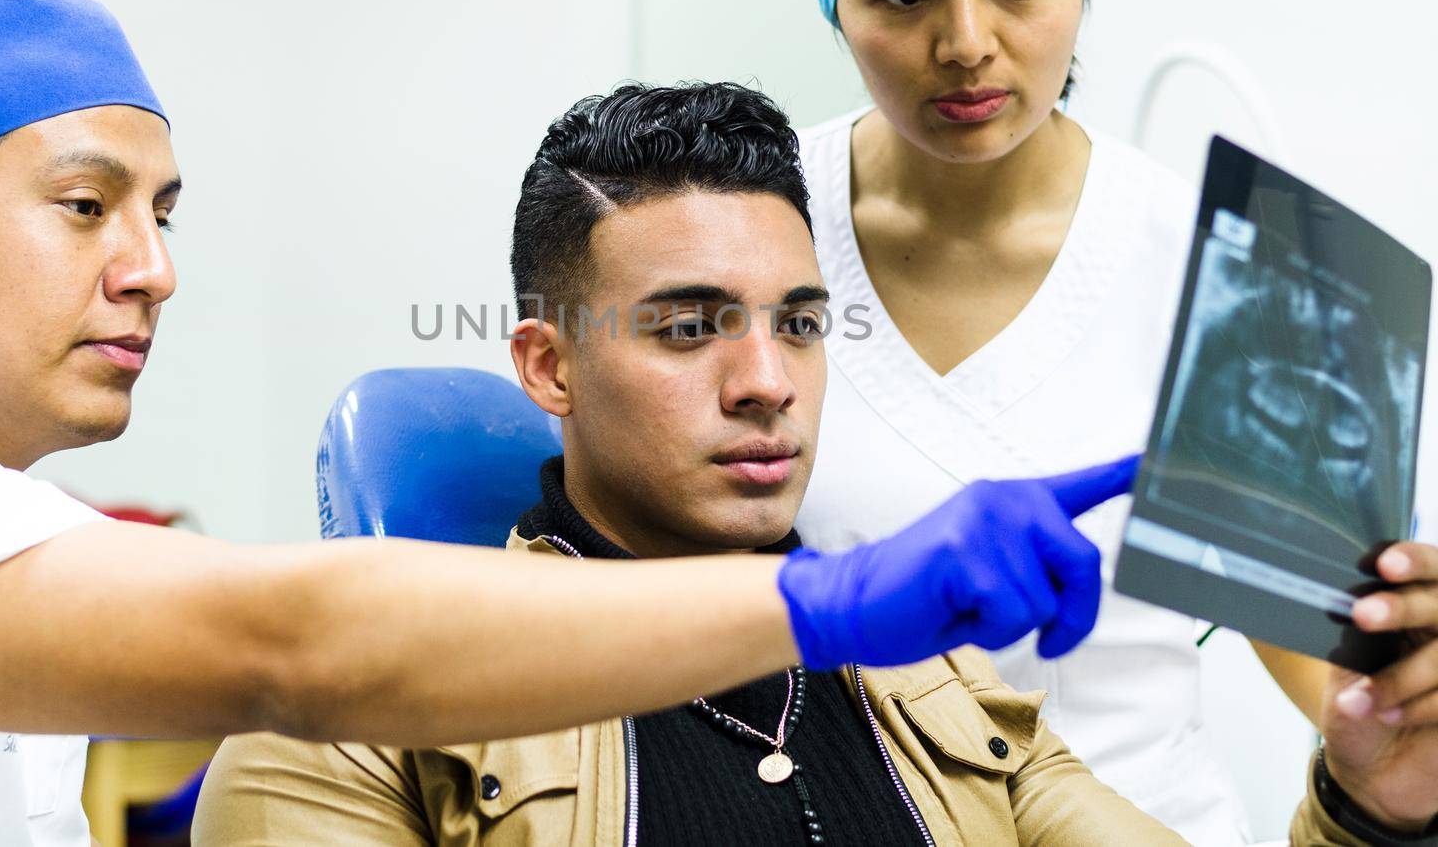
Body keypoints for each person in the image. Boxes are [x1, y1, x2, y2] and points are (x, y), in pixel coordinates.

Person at [0, 0, 1140, 846]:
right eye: (86, 207)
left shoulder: (936, 695)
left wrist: (1352, 801)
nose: (154, 269)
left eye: (801, 321)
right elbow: (290, 644)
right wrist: (826, 604)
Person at [193, 81, 1438, 846]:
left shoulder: (941, 689)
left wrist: (1375, 801)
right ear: (547, 365)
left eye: (798, 321)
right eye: (690, 327)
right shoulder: (348, 729)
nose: (767, 379)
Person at [793, 0, 1438, 842]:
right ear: (834, 3)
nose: (966, 42)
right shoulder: (747, 238)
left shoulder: (1256, 271)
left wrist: (1405, 690)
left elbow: (1357, 698)